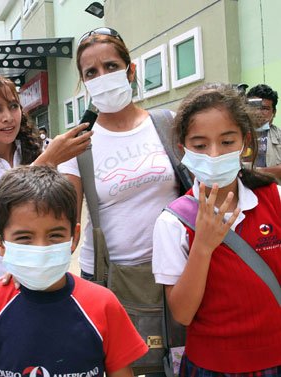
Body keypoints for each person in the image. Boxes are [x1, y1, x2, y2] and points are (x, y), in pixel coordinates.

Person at [153, 83, 281, 375]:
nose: (213, 154)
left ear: (245, 143)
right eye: (200, 145)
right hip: (211, 365)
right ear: (182, 150)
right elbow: (183, 314)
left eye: (226, 142)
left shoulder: (274, 198)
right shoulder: (173, 222)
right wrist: (203, 246)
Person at [0, 165, 148, 376]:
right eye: (24, 238)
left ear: (73, 237)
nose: (41, 248)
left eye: (55, 236)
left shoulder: (103, 304)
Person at [58, 27, 180, 279]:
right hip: (108, 277)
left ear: (130, 71)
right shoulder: (77, 143)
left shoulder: (169, 124)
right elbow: (67, 225)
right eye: (91, 72)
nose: (102, 77)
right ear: (85, 84)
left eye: (111, 66)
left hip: (174, 267)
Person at [0, 74, 92, 293]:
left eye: (13, 106)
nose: (8, 117)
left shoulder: (33, 150)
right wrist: (47, 160)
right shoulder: (45, 157)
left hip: (39, 278)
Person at [246, 84, 281, 183]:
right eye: (255, 107)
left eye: (265, 108)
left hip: (274, 194)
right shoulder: (237, 135)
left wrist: (257, 172)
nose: (258, 112)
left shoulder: (279, 136)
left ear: (274, 113)